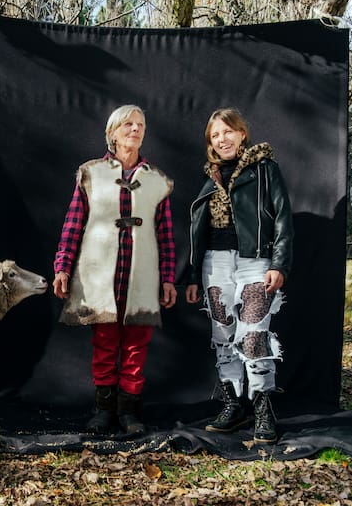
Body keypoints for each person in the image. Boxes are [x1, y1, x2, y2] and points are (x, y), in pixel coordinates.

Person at [53, 104, 177, 435]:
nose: (135, 130)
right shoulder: (91, 173)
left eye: (140, 125)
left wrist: (168, 278)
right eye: (128, 125)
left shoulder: (157, 181)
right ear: (112, 133)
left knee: (136, 346)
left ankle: (129, 412)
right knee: (105, 344)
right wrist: (63, 266)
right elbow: (73, 224)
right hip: (99, 275)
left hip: (142, 276)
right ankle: (104, 410)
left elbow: (166, 236)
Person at [185, 108, 293, 444]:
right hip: (215, 263)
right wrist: (192, 276)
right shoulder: (210, 178)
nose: (222, 139)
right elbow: (199, 232)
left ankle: (262, 407)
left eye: (228, 131)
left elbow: (282, 218)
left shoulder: (265, 169)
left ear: (241, 133)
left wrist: (279, 264)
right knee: (223, 335)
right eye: (215, 135)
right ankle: (233, 405)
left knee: (253, 336)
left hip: (255, 262)